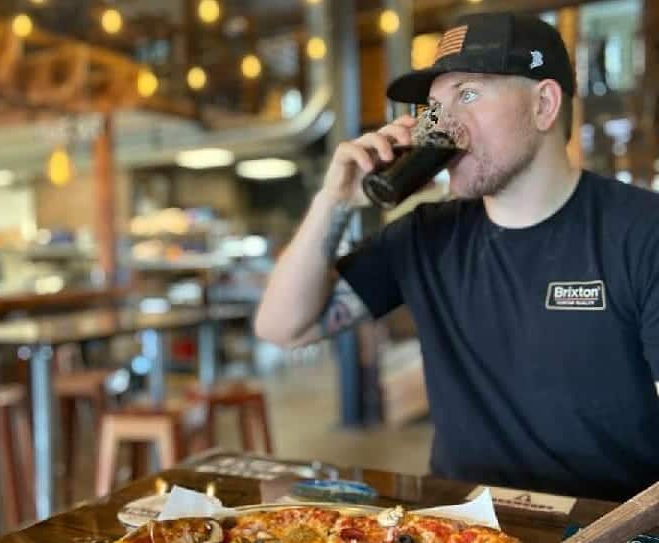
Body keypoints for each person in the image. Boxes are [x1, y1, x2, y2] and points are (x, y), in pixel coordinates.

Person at [254, 11, 659, 502]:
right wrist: (333, 201)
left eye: (467, 94)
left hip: (608, 537)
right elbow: (282, 328)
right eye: (434, 108)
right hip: (460, 533)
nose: (442, 126)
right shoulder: (425, 235)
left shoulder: (640, 231)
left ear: (544, 104)